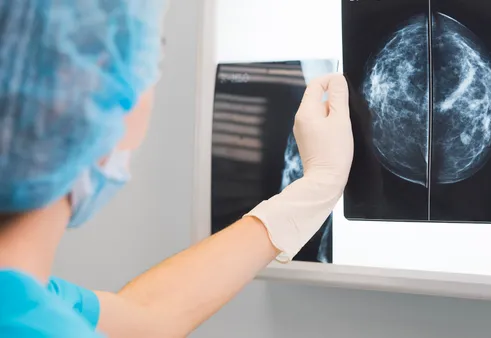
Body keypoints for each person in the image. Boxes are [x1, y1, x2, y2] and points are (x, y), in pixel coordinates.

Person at [0, 1, 354, 337]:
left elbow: (145, 318)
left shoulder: (23, 301)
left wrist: (314, 189)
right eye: (148, 62)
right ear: (84, 94)